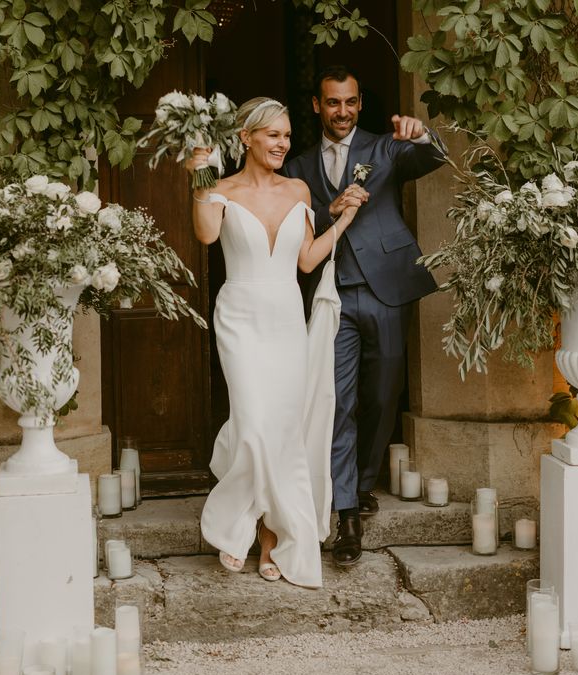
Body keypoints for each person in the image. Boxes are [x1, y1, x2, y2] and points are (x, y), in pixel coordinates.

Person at [187, 97, 361, 588]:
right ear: (246, 137)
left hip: (286, 318)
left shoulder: (299, 189)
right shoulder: (220, 189)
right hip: (240, 316)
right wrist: (199, 173)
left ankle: (268, 535)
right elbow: (204, 234)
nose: (283, 143)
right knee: (252, 425)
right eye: (273, 135)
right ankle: (235, 522)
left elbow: (306, 261)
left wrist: (342, 221)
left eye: (287, 135)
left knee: (280, 430)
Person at [283, 66, 446, 567]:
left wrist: (423, 133)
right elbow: (296, 228)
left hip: (387, 289)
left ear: (359, 103)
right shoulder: (297, 167)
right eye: (333, 103)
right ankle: (347, 514)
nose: (342, 111)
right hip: (332, 294)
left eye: (350, 102)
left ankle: (366, 475)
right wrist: (331, 210)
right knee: (339, 400)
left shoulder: (383, 148)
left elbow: (433, 157)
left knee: (381, 395)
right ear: (317, 105)